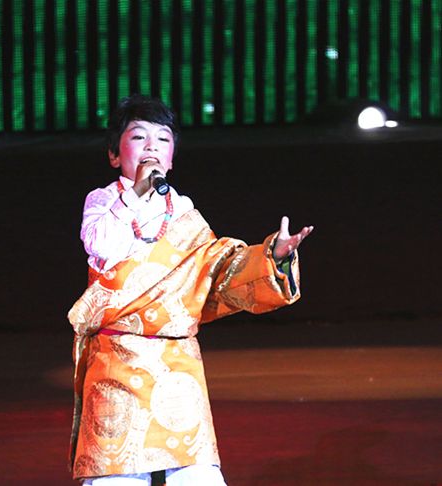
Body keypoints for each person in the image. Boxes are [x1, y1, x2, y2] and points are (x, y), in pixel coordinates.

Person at [67, 94, 313, 485]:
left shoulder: (183, 212)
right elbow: (102, 246)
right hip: (116, 361)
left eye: (163, 139)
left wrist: (273, 256)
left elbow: (218, 272)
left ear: (171, 158)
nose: (151, 147)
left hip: (177, 364)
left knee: (198, 476)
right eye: (139, 137)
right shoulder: (104, 201)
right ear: (114, 155)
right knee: (117, 478)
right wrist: (138, 193)